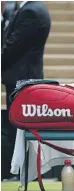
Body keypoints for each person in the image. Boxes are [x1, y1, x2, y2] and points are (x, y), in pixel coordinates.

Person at [1, 1, 51, 151]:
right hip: (24, 78)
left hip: (22, 80)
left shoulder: (31, 11)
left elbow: (14, 46)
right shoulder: (33, 8)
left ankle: (19, 170)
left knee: (19, 128)